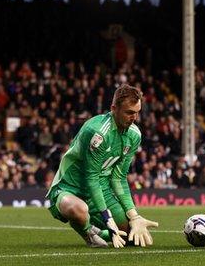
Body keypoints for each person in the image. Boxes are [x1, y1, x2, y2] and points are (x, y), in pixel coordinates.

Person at [46, 84, 158, 248]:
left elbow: (119, 178)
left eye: (137, 112)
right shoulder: (97, 132)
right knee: (78, 210)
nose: (134, 118)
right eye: (129, 112)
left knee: (132, 238)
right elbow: (91, 177)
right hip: (71, 188)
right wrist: (108, 218)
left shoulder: (134, 135)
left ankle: (100, 231)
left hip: (102, 189)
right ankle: (90, 232)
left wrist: (134, 215)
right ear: (114, 108)